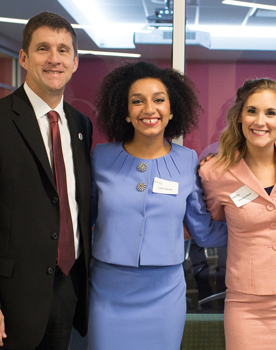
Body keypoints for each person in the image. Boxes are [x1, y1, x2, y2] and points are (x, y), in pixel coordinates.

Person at [0, 12, 92, 349]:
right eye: (43, 49)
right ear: (24, 58)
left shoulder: (81, 125)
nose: (54, 59)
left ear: (74, 62)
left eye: (62, 50)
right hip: (5, 303)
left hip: (64, 292)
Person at [88, 61, 227, 350]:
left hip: (164, 294)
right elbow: (79, 218)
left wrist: (251, 221)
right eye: (137, 101)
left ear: (172, 109)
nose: (149, 109)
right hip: (108, 292)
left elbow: (203, 231)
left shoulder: (187, 160)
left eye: (158, 100)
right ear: (125, 112)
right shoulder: (101, 157)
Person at [199, 78, 276, 349]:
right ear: (239, 116)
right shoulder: (214, 171)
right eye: (252, 111)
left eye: (270, 113)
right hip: (246, 303)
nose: (260, 121)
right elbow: (215, 220)